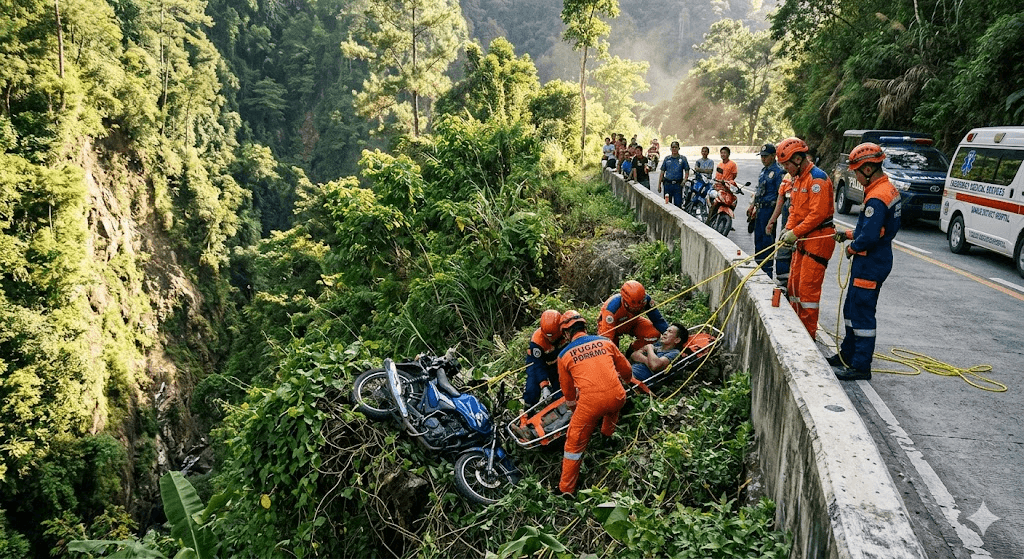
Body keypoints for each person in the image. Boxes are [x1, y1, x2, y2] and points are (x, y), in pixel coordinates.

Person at [828, 143, 901, 381]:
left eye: (857, 172)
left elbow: (869, 236)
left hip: (871, 261)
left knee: (861, 314)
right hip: (874, 258)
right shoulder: (885, 189)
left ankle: (860, 365)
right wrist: (848, 234)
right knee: (851, 308)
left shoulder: (877, 197)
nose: (856, 177)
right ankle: (847, 355)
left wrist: (852, 247)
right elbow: (874, 229)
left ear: (869, 168)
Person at [556, 310, 633, 496]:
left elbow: (568, 393)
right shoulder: (606, 342)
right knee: (612, 405)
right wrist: (625, 383)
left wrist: (575, 409)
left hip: (591, 403)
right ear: (584, 326)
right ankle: (607, 436)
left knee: (573, 443)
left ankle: (566, 489)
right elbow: (626, 369)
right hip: (618, 397)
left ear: (566, 334)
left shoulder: (564, 356)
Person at [777, 137, 837, 338]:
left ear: (798, 159)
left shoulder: (817, 179)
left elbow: (817, 215)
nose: (786, 168)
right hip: (803, 240)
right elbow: (794, 210)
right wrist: (787, 230)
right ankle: (796, 329)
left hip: (817, 241)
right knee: (794, 286)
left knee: (807, 292)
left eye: (787, 164)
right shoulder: (798, 179)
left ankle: (808, 334)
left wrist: (795, 233)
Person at [598, 280, 669, 355]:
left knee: (653, 334)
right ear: (625, 302)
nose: (636, 310)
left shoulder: (646, 301)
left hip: (633, 322)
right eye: (633, 309)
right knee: (609, 349)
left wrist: (671, 336)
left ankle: (632, 352)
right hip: (613, 327)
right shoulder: (611, 308)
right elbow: (607, 339)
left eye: (639, 308)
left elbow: (658, 320)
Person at [747, 144, 784, 277]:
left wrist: (773, 218)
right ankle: (758, 268)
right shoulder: (764, 170)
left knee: (767, 242)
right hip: (760, 209)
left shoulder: (778, 172)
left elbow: (781, 195)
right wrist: (752, 206)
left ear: (773, 156)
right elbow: (758, 190)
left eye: (766, 156)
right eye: (761, 156)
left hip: (770, 209)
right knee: (758, 240)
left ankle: (767, 272)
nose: (763, 159)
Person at [523, 309, 564, 405]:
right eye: (548, 337)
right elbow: (538, 365)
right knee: (532, 389)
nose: (550, 340)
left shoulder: (565, 333)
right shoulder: (537, 342)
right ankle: (528, 410)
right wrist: (544, 386)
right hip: (536, 362)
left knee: (559, 389)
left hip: (556, 363)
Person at [767, 173, 794, 289]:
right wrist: (771, 221)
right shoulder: (787, 178)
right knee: (783, 248)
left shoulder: (812, 178)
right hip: (788, 218)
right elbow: (780, 200)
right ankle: (782, 282)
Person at [658, 141, 690, 207]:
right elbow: (662, 172)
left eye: (676, 147)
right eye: (673, 147)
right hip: (667, 184)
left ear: (679, 148)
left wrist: (684, 181)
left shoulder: (683, 159)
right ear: (670, 149)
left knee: (678, 205)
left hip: (678, 185)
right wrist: (659, 184)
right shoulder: (667, 159)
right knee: (667, 205)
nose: (674, 149)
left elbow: (687, 171)